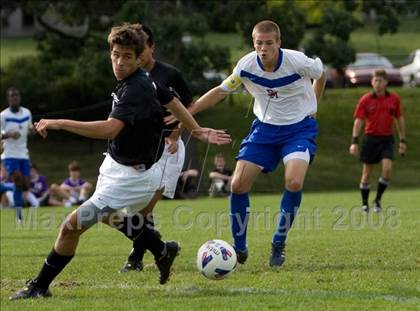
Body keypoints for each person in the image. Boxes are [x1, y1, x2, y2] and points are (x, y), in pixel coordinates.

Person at [10, 23, 230, 300]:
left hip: (132, 177)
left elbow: (110, 129)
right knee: (108, 217)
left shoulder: (136, 88)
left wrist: (60, 123)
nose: (120, 61)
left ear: (139, 58)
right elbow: (173, 102)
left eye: (127, 56)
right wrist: (196, 130)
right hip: (115, 165)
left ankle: (39, 287)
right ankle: (161, 249)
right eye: (116, 54)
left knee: (71, 226)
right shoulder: (142, 80)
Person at [167, 20, 326, 267]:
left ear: (279, 43)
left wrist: (313, 105)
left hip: (299, 129)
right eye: (258, 43)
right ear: (254, 43)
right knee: (238, 185)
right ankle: (238, 248)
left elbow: (321, 73)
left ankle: (279, 242)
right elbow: (220, 91)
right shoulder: (246, 65)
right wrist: (189, 112)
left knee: (294, 181)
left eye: (269, 43)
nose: (263, 48)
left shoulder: (297, 61)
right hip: (264, 129)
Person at [119, 24, 194, 272]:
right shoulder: (130, 78)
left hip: (168, 147)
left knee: (146, 206)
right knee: (135, 207)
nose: (137, 55)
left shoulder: (170, 75)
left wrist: (176, 133)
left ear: (151, 47)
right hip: (142, 149)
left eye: (142, 49)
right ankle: (156, 246)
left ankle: (138, 256)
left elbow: (188, 105)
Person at [349, 69, 406, 213]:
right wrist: (354, 141)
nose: (378, 84)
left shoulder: (394, 99)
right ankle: (364, 204)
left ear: (386, 82)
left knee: (387, 169)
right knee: (367, 173)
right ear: (372, 82)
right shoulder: (365, 100)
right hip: (371, 139)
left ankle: (378, 200)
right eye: (375, 81)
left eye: (381, 81)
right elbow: (358, 121)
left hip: (387, 139)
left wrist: (402, 140)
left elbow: (399, 120)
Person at [0, 87, 35, 221]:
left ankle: (3, 186)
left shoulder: (26, 112)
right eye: (12, 96)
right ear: (8, 99)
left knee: (25, 184)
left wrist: (33, 130)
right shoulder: (3, 115)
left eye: (17, 95)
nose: (15, 98)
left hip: (23, 153)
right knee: (17, 178)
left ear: (20, 97)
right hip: (8, 153)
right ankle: (18, 215)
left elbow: (30, 128)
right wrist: (8, 134)